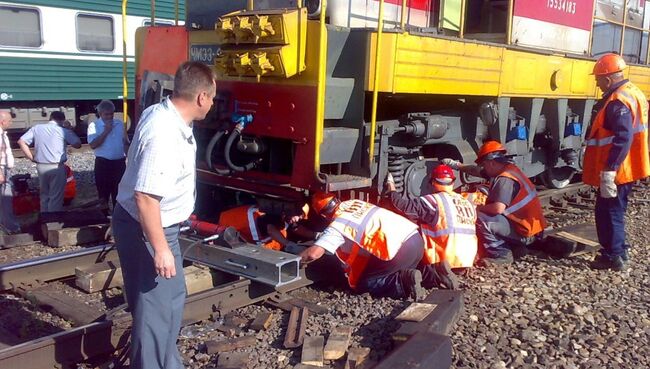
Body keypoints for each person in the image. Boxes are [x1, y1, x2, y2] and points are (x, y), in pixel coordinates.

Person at [112, 61, 216, 369]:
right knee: (155, 309)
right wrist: (160, 249)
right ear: (201, 98)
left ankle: (166, 361)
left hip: (153, 225)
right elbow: (145, 197)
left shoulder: (162, 112)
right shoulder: (165, 134)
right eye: (212, 97)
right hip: (147, 226)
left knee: (169, 300)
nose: (212, 104)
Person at [299, 192, 458, 301]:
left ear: (323, 214)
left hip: (399, 250)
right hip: (415, 238)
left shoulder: (338, 224)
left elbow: (313, 254)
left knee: (367, 283)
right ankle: (436, 273)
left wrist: (295, 260)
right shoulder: (356, 203)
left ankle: (403, 282)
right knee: (407, 265)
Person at [584, 53, 649, 271]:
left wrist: (610, 170)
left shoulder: (617, 101)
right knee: (615, 209)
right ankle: (620, 250)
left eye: (598, 79)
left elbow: (623, 137)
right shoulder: (633, 92)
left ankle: (613, 256)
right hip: (629, 165)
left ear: (608, 79)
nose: (597, 83)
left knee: (608, 211)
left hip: (617, 168)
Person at [443, 140, 547, 265]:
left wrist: (475, 208)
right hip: (530, 228)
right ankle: (516, 248)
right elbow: (475, 171)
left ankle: (502, 255)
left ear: (491, 163)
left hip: (526, 233)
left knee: (481, 218)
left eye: (484, 165)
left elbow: (497, 208)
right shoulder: (508, 169)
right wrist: (456, 165)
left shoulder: (504, 178)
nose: (483, 168)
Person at [385, 164, 477, 269]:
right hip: (466, 262)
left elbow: (401, 206)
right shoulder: (467, 203)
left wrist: (391, 187)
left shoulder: (433, 201)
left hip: (443, 263)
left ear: (433, 182)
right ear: (452, 182)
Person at [17, 111, 81, 213]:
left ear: (50, 118)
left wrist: (31, 157)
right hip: (56, 167)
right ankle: (52, 223)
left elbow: (21, 141)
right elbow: (77, 144)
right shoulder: (63, 130)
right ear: (62, 120)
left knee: (44, 195)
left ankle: (44, 220)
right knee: (56, 196)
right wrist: (69, 129)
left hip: (41, 166)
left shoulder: (37, 128)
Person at [218, 203, 314, 252]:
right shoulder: (273, 214)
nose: (297, 219)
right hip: (227, 223)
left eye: (300, 218)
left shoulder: (288, 217)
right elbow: (270, 230)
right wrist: (289, 244)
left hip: (242, 232)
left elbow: (296, 228)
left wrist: (316, 235)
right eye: (297, 215)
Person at [87, 100, 128, 211]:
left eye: (111, 114)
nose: (109, 117)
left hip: (119, 163)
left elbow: (124, 141)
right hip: (103, 163)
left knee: (119, 193)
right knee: (103, 193)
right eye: (106, 114)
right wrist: (106, 131)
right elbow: (93, 145)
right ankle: (104, 217)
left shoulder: (119, 124)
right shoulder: (94, 126)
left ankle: (117, 217)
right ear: (100, 114)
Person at [0, 111, 21, 234]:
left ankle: (7, 226)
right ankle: (11, 227)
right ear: (2, 121)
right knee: (5, 199)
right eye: (9, 121)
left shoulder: (3, 134)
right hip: (1, 170)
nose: (11, 123)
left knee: (5, 199)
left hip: (5, 170)